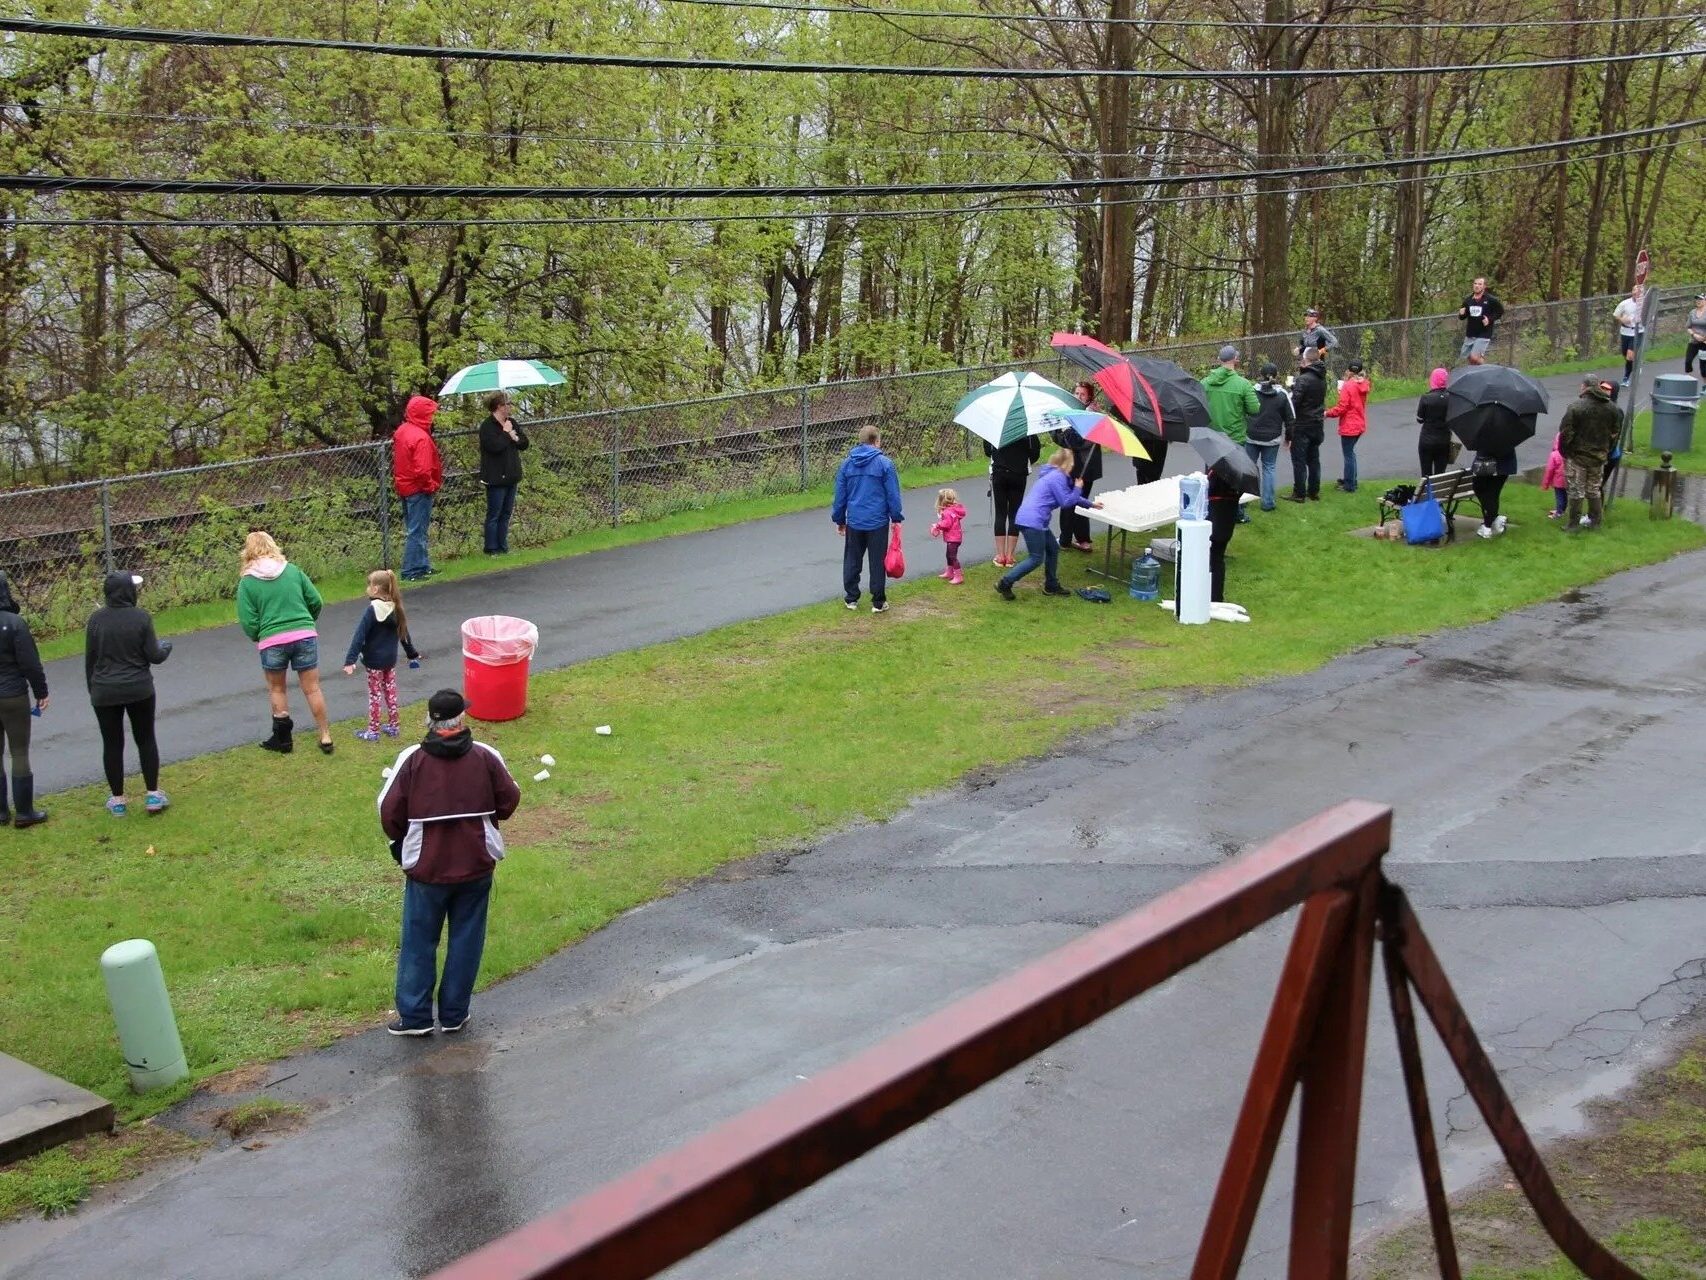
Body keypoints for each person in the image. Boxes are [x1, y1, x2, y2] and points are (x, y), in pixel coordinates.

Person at [378, 688, 521, 1036]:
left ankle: (415, 1018)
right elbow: (509, 799)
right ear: (463, 717)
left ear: (430, 720)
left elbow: (388, 811)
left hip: (427, 869)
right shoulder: (486, 756)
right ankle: (455, 1014)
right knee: (466, 940)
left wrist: (404, 844)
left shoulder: (412, 759)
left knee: (418, 941)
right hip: (475, 865)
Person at [237, 531, 334, 755]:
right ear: (273, 546)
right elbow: (316, 601)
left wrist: (258, 635)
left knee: (277, 689)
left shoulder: (248, 582)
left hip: (272, 640)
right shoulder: (292, 571)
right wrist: (306, 622)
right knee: (312, 688)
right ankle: (325, 735)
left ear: (248, 552)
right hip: (304, 635)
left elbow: (248, 620)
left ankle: (283, 740)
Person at [85, 572, 173, 817]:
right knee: (145, 738)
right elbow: (154, 655)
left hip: (104, 689)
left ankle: (118, 799)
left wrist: (92, 688)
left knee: (112, 743)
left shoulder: (96, 620)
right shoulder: (141, 618)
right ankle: (153, 794)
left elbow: (90, 659)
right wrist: (166, 647)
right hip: (138, 687)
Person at [994, 447, 1102, 601]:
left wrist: (1091, 504)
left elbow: (1069, 496)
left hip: (1033, 519)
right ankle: (1005, 582)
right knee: (1036, 557)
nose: (1073, 467)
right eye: (1072, 464)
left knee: (1052, 549)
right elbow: (1066, 502)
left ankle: (1051, 584)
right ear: (1066, 464)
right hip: (1033, 521)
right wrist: (1078, 489)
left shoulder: (1055, 475)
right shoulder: (1057, 477)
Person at [831, 425, 904, 613]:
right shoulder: (885, 464)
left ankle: (851, 597)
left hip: (855, 520)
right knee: (877, 560)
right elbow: (893, 494)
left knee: (852, 559)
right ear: (877, 441)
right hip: (877, 521)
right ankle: (878, 601)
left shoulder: (847, 464)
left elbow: (840, 495)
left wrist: (840, 519)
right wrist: (896, 517)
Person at [343, 569, 421, 741]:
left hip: (373, 662)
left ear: (376, 589)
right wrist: (412, 654)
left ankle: (373, 731)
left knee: (375, 695)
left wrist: (350, 660)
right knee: (390, 693)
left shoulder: (372, 610)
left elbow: (359, 635)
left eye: (368, 585)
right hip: (390, 660)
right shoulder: (396, 607)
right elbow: (404, 635)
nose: (367, 589)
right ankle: (394, 726)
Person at [0, 571, 49, 828]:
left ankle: (0, 812)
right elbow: (30, 663)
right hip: (12, 695)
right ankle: (24, 811)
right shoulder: (15, 623)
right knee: (19, 751)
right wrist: (41, 691)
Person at [1202, 346, 1260, 523]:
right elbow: (1254, 409)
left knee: (1211, 476)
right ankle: (1235, 513)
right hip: (1234, 438)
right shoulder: (1243, 384)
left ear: (1219, 360)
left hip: (1211, 438)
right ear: (1236, 359)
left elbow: (1198, 405)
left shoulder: (1204, 383)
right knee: (1234, 479)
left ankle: (1208, 511)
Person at [1558, 376, 1621, 533]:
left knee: (1576, 490)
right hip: (1599, 456)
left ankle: (1573, 524)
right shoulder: (1612, 408)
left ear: (1584, 387)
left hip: (1577, 456)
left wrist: (1566, 452)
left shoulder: (1576, 407)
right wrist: (1606, 450)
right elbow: (1614, 433)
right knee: (1594, 489)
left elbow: (1565, 433)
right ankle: (1596, 522)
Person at [393, 394, 444, 582]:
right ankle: (412, 570)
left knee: (415, 528)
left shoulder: (403, 431)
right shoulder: (421, 437)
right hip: (418, 488)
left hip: (405, 485)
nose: (432, 418)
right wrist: (430, 485)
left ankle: (421, 565)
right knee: (417, 530)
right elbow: (422, 469)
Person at [478, 391, 530, 556]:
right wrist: (506, 434)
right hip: (495, 477)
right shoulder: (487, 426)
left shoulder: (511, 422)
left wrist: (515, 438)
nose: (510, 407)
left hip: (511, 474)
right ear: (499, 406)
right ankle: (491, 548)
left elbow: (524, 443)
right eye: (508, 404)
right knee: (494, 513)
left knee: (506, 513)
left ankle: (503, 545)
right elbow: (494, 447)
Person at [983, 432, 1040, 568]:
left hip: (999, 472)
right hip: (1019, 474)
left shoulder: (995, 425)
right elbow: (1035, 452)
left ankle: (1000, 555)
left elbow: (987, 450)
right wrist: (1021, 460)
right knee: (1015, 513)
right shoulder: (1027, 429)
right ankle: (1010, 556)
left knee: (1000, 513)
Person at [1058, 382, 1104, 551]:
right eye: (1076, 393)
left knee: (1071, 502)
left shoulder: (1090, 416)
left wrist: (1060, 430)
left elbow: (1075, 442)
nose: (1078, 397)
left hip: (1082, 467)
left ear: (1089, 397)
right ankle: (1082, 539)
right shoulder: (1075, 413)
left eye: (1082, 394)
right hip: (1078, 465)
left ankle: (1067, 540)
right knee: (1079, 501)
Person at [1245, 363, 1293, 512]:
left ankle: (1244, 500)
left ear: (1260, 374)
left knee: (1248, 468)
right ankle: (1268, 502)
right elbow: (1290, 419)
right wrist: (1288, 438)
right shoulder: (1282, 395)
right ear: (1276, 375)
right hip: (1272, 438)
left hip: (1251, 435)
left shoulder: (1252, 392)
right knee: (1269, 468)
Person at [1286, 347, 1327, 502]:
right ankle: (1314, 491)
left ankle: (1299, 493)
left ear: (1306, 360)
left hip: (1303, 423)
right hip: (1317, 422)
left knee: (1299, 460)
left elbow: (1295, 402)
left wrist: (1292, 392)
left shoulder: (1304, 379)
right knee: (1314, 459)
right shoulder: (1321, 377)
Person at [1326, 360, 1371, 493]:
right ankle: (1351, 480)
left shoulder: (1348, 386)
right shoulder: (1363, 384)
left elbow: (1342, 407)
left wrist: (1327, 413)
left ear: (1349, 371)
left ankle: (1349, 485)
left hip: (1349, 424)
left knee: (1348, 455)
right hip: (1359, 422)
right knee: (1351, 453)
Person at [1207, 468, 1241, 604]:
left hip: (1215, 520)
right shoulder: (1238, 481)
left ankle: (1210, 595)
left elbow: (1209, 488)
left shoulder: (1217, 474)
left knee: (1211, 559)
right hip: (1227, 523)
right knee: (1218, 560)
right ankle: (1216, 596)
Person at [1416, 367, 1453, 477]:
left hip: (1427, 439)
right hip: (1444, 440)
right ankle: (1439, 493)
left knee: (1426, 473)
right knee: (1440, 474)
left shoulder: (1426, 398)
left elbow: (1419, 419)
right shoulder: (1450, 398)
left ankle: (1428, 493)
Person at [1458, 277, 1504, 363]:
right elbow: (1462, 317)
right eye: (1475, 284)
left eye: (1480, 284)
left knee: (1475, 357)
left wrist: (1490, 319)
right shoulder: (1468, 300)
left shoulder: (1491, 299)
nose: (1477, 286)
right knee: (1466, 358)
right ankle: (1475, 373)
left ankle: (1485, 370)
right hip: (1471, 333)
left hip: (1484, 333)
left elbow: (1500, 311)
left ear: (1484, 286)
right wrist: (1461, 314)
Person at [928, 488, 967, 585]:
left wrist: (937, 525)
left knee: (952, 556)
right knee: (949, 555)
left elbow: (947, 524)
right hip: (955, 537)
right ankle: (950, 571)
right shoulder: (952, 510)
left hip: (953, 538)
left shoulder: (947, 512)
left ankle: (958, 576)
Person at [1613, 284, 1645, 388]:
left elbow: (1650, 318)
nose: (1637, 293)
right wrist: (1623, 319)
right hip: (1625, 332)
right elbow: (1616, 314)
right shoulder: (1625, 303)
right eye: (1635, 290)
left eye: (1639, 291)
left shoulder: (1645, 305)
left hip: (1638, 332)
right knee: (1625, 354)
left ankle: (1626, 378)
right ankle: (1637, 363)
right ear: (1632, 292)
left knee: (1629, 355)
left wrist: (1641, 320)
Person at [1542, 433, 1568, 520]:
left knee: (1559, 497)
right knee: (1565, 496)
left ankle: (1559, 513)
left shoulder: (1554, 455)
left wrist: (1545, 484)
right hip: (1569, 480)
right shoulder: (1571, 454)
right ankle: (1562, 510)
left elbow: (1549, 470)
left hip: (1558, 482)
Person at [1687, 292, 1706, 393]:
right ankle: (1688, 384)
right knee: (1688, 362)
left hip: (1704, 343)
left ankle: (1705, 385)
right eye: (1697, 299)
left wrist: (1703, 338)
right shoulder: (1692, 312)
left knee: (1703, 366)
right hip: (1694, 341)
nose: (1698, 301)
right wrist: (1694, 335)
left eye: (1700, 299)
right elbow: (1688, 327)